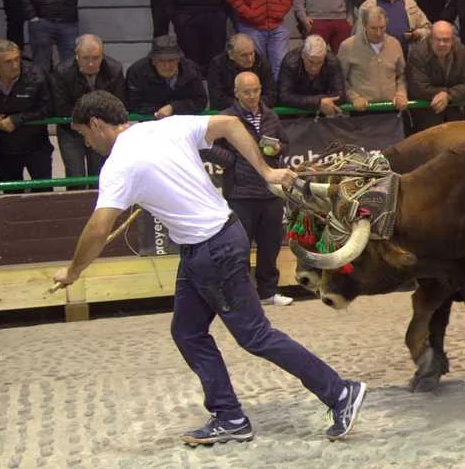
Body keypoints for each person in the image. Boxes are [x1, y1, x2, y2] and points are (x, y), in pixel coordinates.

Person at [51, 90, 367, 442]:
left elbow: (98, 229)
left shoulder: (118, 166)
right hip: (210, 242)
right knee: (187, 332)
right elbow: (231, 124)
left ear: (97, 124)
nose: (87, 143)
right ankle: (229, 417)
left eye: (84, 134)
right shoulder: (167, 127)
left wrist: (74, 271)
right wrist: (264, 170)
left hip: (212, 250)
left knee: (256, 336)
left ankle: (340, 392)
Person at [201, 71, 292, 307]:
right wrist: (231, 160)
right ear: (236, 93)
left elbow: (285, 143)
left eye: (256, 90)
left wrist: (278, 149)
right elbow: (206, 146)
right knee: (239, 248)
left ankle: (268, 292)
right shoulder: (225, 118)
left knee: (270, 246)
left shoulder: (270, 115)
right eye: (247, 92)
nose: (252, 96)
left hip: (271, 192)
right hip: (240, 193)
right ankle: (239, 296)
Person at [0, 39, 53, 191]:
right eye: (8, 62)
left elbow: (49, 107)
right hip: (2, 148)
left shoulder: (37, 76)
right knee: (12, 193)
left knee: (43, 191)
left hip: (36, 145)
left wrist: (17, 119)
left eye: (17, 59)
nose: (15, 65)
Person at [51, 34, 125, 181]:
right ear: (77, 56)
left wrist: (95, 125)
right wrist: (88, 123)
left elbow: (118, 104)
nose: (91, 63)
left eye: (96, 58)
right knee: (75, 175)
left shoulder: (114, 69)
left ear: (102, 56)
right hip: (71, 129)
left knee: (99, 174)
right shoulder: (62, 71)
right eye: (86, 58)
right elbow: (61, 107)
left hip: (101, 129)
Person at [337, 5, 411, 117]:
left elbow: (401, 75)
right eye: (373, 28)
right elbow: (341, 79)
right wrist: (354, 97)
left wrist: (401, 94)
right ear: (364, 25)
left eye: (382, 27)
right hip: (361, 111)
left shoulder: (394, 44)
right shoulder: (348, 46)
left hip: (391, 109)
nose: (378, 33)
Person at [405, 21, 465, 132]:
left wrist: (449, 96)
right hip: (426, 119)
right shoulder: (417, 54)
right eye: (438, 39)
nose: (442, 44)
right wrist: (446, 94)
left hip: (456, 118)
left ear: (453, 39)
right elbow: (418, 88)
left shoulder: (462, 52)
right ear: (430, 39)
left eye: (446, 40)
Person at [125, 35, 209, 117]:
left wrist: (173, 107)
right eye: (162, 61)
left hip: (184, 119)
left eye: (171, 60)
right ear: (153, 61)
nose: (167, 66)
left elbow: (200, 101)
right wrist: (161, 110)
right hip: (150, 120)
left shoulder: (191, 70)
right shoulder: (137, 72)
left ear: (178, 59)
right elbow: (133, 104)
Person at [356, 0, 432, 54]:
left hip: (408, 56)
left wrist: (416, 34)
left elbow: (428, 29)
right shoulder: (367, 7)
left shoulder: (410, 4)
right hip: (377, 57)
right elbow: (359, 38)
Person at [277, 35, 345, 115]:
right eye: (310, 62)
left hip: (321, 113)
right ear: (303, 55)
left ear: (324, 58)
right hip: (292, 115)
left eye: (319, 62)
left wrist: (320, 102)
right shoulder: (290, 61)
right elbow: (283, 96)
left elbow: (340, 96)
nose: (314, 68)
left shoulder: (332, 61)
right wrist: (318, 101)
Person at [207, 33, 274, 111]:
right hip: (228, 112)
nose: (250, 59)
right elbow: (217, 99)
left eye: (252, 53)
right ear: (231, 55)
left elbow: (271, 95)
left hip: (258, 111)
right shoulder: (217, 64)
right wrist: (245, 106)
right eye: (244, 55)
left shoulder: (262, 62)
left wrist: (252, 105)